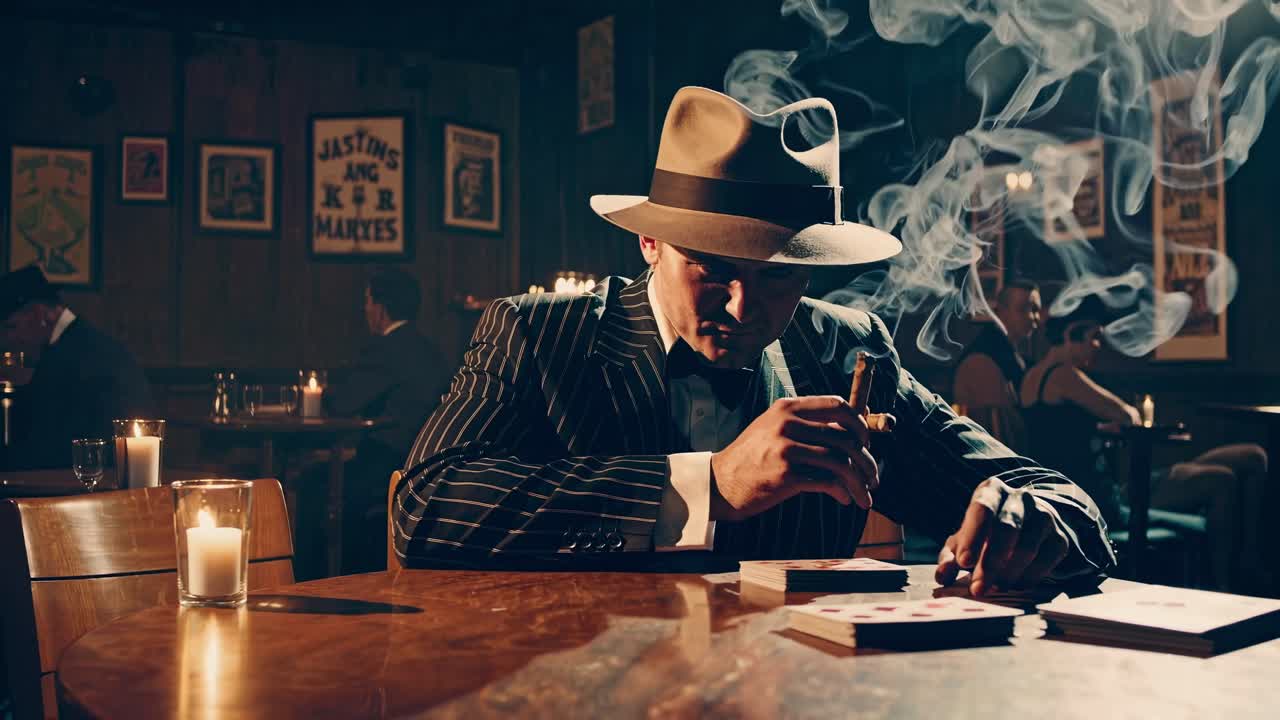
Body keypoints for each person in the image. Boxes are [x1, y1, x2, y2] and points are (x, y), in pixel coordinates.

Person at [393, 87, 1116, 595]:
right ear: (651, 239)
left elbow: (1059, 504)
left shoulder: (844, 354)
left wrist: (1034, 525)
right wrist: (709, 486)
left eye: (779, 281)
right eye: (714, 270)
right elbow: (425, 509)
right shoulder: (537, 333)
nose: (745, 306)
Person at [1020, 299, 1267, 590]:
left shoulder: (1032, 377)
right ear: (1070, 333)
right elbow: (1129, 415)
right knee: (1214, 502)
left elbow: (1056, 432)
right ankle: (1230, 586)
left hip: (1086, 495)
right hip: (1102, 505)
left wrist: (1097, 428)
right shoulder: (1063, 374)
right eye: (1094, 337)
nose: (1098, 346)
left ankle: (1233, 576)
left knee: (1249, 458)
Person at [324, 267, 448, 573]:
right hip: (427, 467)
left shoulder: (387, 349)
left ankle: (316, 576)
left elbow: (342, 404)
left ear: (380, 308)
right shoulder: (430, 350)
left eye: (367, 301)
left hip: (387, 467)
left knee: (316, 483)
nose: (364, 309)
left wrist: (322, 394)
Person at [0, 265, 154, 470]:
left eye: (11, 327)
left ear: (39, 314)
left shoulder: (74, 353)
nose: (7, 340)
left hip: (83, 481)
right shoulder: (82, 344)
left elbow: (46, 442)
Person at [953, 281, 1042, 451]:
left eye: (1036, 310)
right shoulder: (982, 358)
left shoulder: (1018, 356)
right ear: (999, 312)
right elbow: (1007, 428)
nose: (1033, 317)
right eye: (1023, 309)